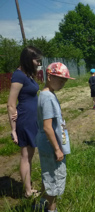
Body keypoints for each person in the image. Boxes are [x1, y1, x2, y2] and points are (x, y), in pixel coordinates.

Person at [36, 62, 74, 212]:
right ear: (50, 77)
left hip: (46, 144)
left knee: (48, 175)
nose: (63, 83)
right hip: (51, 147)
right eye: (61, 79)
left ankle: (41, 204)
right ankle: (52, 209)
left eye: (65, 80)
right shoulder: (48, 97)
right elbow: (47, 126)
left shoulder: (45, 94)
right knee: (54, 179)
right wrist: (57, 149)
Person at [7, 46, 42, 198]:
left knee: (30, 155)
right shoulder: (19, 76)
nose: (39, 63)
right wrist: (13, 130)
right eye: (37, 60)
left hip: (32, 119)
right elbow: (10, 104)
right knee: (25, 156)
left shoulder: (27, 75)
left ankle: (29, 186)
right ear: (28, 60)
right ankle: (28, 192)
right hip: (25, 120)